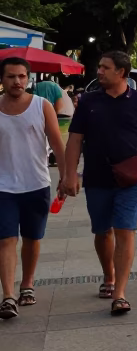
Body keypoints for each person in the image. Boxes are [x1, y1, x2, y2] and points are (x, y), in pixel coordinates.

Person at [61, 50, 137, 316]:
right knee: (102, 231)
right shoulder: (88, 102)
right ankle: (109, 275)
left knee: (125, 231)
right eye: (100, 67)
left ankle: (120, 293)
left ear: (122, 72)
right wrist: (69, 175)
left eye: (105, 68)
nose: (100, 71)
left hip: (131, 179)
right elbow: (75, 140)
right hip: (96, 177)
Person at [0, 58, 67, 319]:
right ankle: (7, 295)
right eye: (10, 77)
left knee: (32, 238)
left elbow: (57, 143)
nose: (17, 81)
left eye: (21, 76)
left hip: (36, 184)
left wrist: (66, 176)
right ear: (2, 80)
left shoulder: (42, 105)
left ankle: (27, 283)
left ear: (28, 79)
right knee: (5, 239)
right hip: (3, 187)